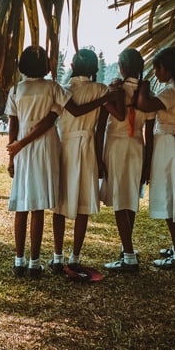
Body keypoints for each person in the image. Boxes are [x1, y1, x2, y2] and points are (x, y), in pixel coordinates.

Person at [5, 46, 120, 278]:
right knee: (39, 205)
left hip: (25, 148)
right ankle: (39, 262)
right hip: (48, 146)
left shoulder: (17, 89)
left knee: (24, 204)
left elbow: (13, 123)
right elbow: (68, 113)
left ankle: (22, 260)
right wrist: (105, 97)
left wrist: (13, 151)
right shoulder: (53, 88)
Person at [48, 49, 124, 276]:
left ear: (71, 67)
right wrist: (115, 93)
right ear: (94, 70)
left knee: (59, 203)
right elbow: (115, 117)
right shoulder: (100, 90)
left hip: (65, 146)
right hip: (88, 147)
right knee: (83, 203)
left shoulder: (62, 90)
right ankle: (76, 257)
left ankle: (57, 256)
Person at [136, 47, 175, 271]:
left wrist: (143, 86)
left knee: (171, 200)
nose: (156, 74)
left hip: (170, 150)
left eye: (156, 70)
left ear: (163, 68)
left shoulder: (172, 91)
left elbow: (144, 105)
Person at [99, 49, 154, 273]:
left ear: (121, 67)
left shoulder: (114, 90)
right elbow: (149, 132)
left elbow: (104, 121)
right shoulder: (145, 94)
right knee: (130, 197)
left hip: (117, 146)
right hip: (137, 146)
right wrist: (148, 163)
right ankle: (126, 247)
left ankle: (129, 255)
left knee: (120, 201)